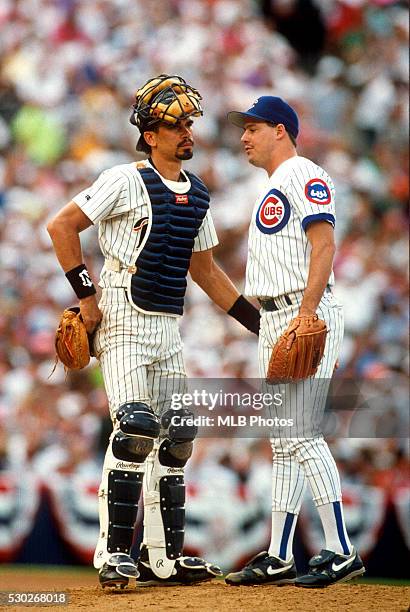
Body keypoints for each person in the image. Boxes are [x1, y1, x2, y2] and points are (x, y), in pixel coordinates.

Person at [47, 74, 260, 588]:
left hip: (168, 323)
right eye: (176, 124)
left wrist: (260, 322)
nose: (188, 131)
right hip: (121, 312)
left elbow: (205, 270)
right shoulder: (123, 178)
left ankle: (162, 558)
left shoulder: (199, 192)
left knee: (178, 436)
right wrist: (87, 300)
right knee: (137, 426)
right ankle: (112, 553)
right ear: (150, 134)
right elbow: (61, 225)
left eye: (189, 122)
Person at [224, 96, 365, 588]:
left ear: (281, 130)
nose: (244, 136)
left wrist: (305, 315)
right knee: (283, 441)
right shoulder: (272, 183)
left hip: (303, 312)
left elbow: (324, 244)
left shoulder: (305, 173)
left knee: (299, 432)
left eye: (254, 127)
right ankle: (281, 553)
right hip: (273, 315)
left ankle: (342, 548)